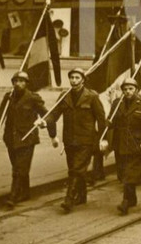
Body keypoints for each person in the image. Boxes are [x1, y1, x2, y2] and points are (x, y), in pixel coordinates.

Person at [38, 67, 106, 212]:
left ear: (83, 79)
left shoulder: (92, 96)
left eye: (77, 77)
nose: (74, 80)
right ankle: (81, 196)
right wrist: (44, 122)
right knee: (75, 169)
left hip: (86, 139)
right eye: (72, 77)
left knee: (76, 170)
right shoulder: (64, 96)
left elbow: (101, 119)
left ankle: (69, 199)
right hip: (69, 139)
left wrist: (102, 138)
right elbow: (54, 114)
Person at [0, 71, 49, 207]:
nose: (18, 84)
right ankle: (25, 192)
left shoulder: (33, 98)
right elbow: (0, 115)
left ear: (27, 83)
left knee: (19, 168)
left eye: (22, 81)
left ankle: (13, 196)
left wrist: (43, 123)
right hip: (10, 138)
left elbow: (47, 114)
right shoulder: (8, 97)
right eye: (16, 81)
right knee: (18, 166)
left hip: (27, 138)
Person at [102, 76, 141, 215]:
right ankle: (132, 198)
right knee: (123, 173)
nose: (128, 92)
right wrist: (104, 137)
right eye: (125, 89)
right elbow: (111, 122)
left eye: (131, 89)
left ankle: (125, 202)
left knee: (130, 174)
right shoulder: (117, 103)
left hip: (135, 144)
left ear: (136, 90)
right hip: (120, 143)